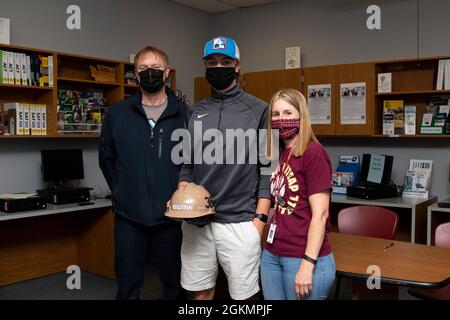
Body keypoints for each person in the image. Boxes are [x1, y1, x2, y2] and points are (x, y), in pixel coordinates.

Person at [178, 36, 271, 300]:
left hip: (241, 222)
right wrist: (182, 199)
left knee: (245, 298)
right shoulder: (194, 112)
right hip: (197, 223)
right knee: (200, 294)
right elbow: (187, 165)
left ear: (237, 66)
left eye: (225, 61)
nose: (218, 66)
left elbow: (267, 169)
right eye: (212, 62)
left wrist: (259, 222)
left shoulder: (260, 110)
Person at [99, 46, 187, 300]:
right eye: (144, 69)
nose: (150, 74)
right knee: (127, 288)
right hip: (129, 218)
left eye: (156, 69)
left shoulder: (184, 115)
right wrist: (122, 190)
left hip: (171, 219)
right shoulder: (117, 114)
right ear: (136, 75)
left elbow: (191, 163)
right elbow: (106, 158)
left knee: (175, 288)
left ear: (167, 72)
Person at [261, 89, 336, 300]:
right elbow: (280, 205)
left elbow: (321, 215)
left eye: (287, 113)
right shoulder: (277, 154)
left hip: (302, 257)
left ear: (300, 116)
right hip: (272, 253)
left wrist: (308, 263)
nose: (281, 119)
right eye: (275, 115)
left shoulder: (313, 153)